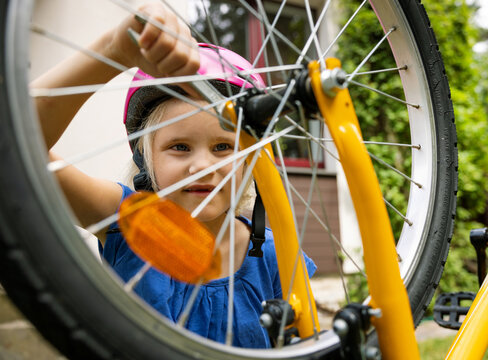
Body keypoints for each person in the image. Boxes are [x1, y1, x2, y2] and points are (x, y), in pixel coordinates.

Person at [32, 3, 316, 348]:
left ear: (252, 159)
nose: (202, 166)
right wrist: (112, 52)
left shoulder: (274, 253)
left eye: (224, 147)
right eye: (180, 147)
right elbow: (17, 140)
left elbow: (305, 343)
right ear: (145, 156)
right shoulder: (124, 219)